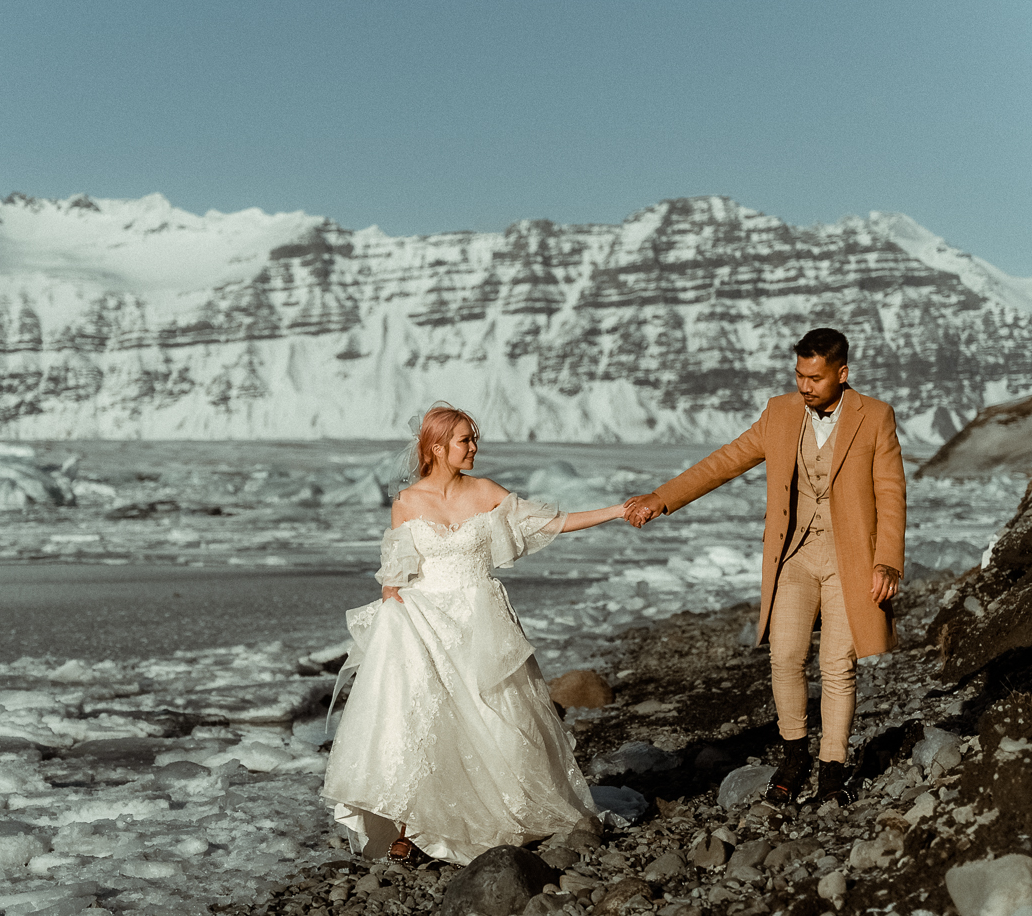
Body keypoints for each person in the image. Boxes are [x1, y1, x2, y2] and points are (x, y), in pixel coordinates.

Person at [321, 404, 630, 864]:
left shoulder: (486, 491)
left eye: (473, 438)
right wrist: (393, 610)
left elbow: (555, 522)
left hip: (481, 621)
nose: (474, 447)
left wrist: (619, 510)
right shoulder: (406, 503)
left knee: (496, 718)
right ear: (437, 447)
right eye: (466, 440)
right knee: (417, 719)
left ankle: (508, 812)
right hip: (424, 622)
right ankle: (411, 826)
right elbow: (395, 575)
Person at [623, 328, 905, 805]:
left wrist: (888, 564)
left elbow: (891, 493)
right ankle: (794, 755)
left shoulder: (875, 416)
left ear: (842, 373)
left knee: (838, 666)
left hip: (850, 560)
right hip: (793, 556)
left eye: (814, 377)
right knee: (785, 657)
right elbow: (726, 461)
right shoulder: (780, 413)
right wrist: (661, 498)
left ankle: (832, 769)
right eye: (798, 374)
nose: (804, 385)